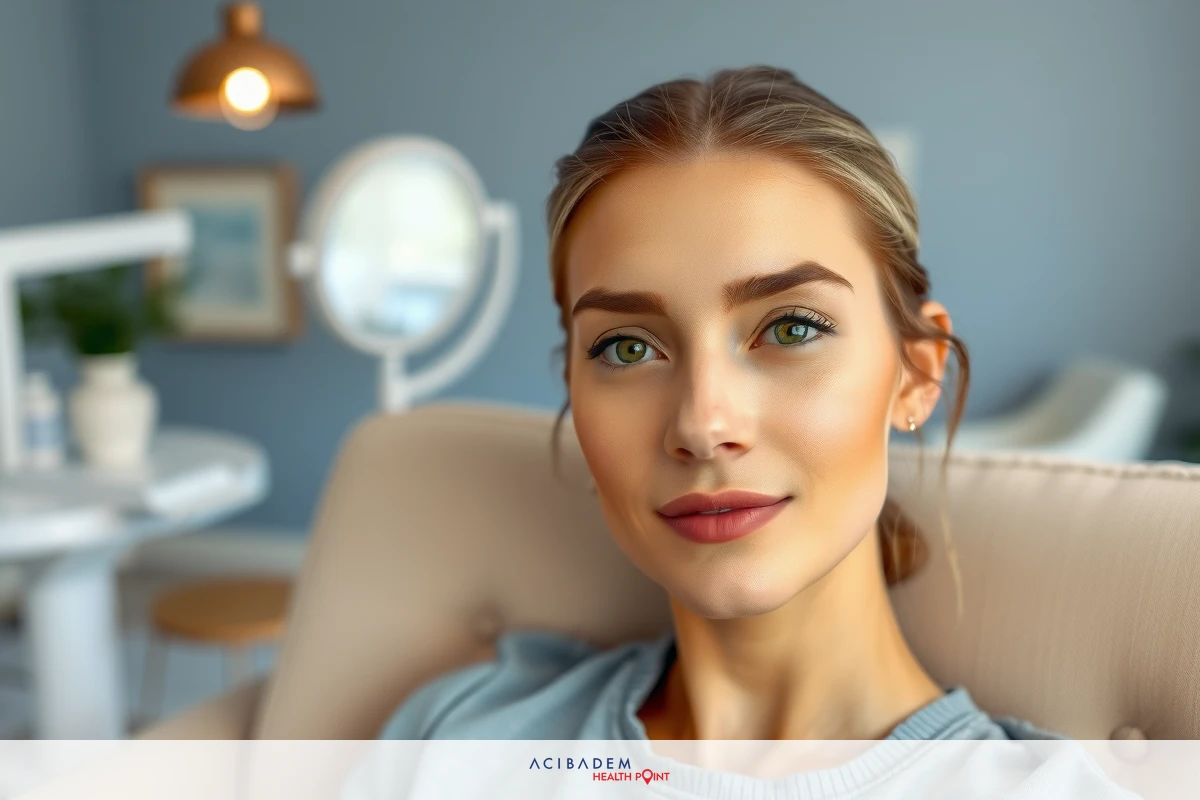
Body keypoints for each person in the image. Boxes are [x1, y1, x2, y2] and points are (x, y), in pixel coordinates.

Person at [378, 65, 1061, 746]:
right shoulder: (457, 738)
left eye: (792, 328)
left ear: (915, 372)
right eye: (626, 349)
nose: (703, 426)